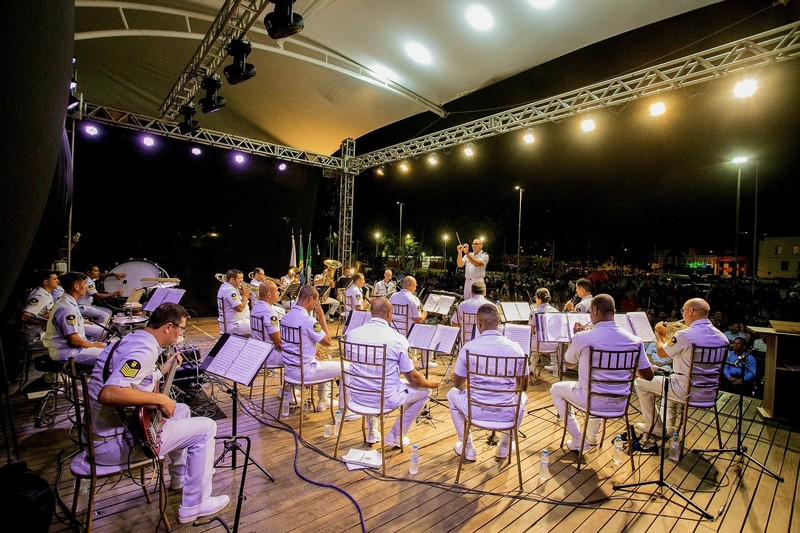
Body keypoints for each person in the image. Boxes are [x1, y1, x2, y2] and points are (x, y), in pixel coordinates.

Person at [88, 303, 229, 524]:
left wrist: (164, 369)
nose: (181, 334)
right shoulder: (144, 351)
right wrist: (160, 399)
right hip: (115, 444)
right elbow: (109, 393)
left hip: (110, 433)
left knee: (181, 410)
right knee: (207, 427)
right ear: (168, 327)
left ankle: (180, 476)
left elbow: (138, 378)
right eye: (181, 329)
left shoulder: (135, 340)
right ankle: (195, 504)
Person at [550, 294, 653, 451]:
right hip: (621, 403)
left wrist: (575, 338)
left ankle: (578, 438)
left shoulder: (583, 338)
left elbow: (569, 364)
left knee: (556, 389)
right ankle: (592, 436)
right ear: (613, 312)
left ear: (595, 310)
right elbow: (649, 376)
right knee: (596, 387)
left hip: (591, 401)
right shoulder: (635, 340)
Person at [344, 297, 440, 447]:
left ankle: (372, 431)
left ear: (371, 312)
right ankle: (396, 435)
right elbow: (413, 378)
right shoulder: (397, 339)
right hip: (384, 399)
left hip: (356, 394)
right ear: (389, 313)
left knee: (370, 377)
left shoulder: (352, 334)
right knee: (425, 392)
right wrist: (431, 384)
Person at [634, 298, 728, 434]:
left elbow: (662, 353)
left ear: (690, 311)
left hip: (685, 391)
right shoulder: (722, 337)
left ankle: (655, 426)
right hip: (710, 393)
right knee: (670, 381)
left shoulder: (686, 335)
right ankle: (669, 428)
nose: (682, 314)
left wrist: (660, 335)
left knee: (640, 383)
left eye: (683, 311)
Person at [447, 304, 528, 461]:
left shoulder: (469, 348)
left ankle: (467, 447)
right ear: (499, 323)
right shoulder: (516, 348)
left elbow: (457, 383)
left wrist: (472, 391)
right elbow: (523, 387)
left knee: (452, 394)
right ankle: (504, 446)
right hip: (506, 412)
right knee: (522, 398)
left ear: (479, 323)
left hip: (475, 410)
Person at [281, 285, 355, 415]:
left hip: (289, 369)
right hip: (304, 372)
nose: (316, 304)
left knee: (324, 359)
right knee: (348, 367)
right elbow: (328, 342)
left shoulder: (286, 316)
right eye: (316, 301)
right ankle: (347, 411)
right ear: (310, 299)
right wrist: (321, 318)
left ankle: (323, 400)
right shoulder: (308, 320)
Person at [43, 271, 106, 364]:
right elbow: (73, 340)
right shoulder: (67, 308)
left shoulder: (68, 302)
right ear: (76, 287)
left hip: (74, 349)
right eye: (84, 284)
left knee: (112, 349)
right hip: (68, 352)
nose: (86, 287)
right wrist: (92, 345)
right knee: (112, 356)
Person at [77, 264, 124, 331]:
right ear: (88, 272)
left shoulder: (88, 278)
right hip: (81, 307)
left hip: (87, 306)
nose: (98, 273)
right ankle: (98, 333)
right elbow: (98, 296)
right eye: (96, 271)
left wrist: (113, 274)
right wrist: (114, 293)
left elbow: (100, 276)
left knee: (108, 311)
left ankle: (98, 329)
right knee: (105, 315)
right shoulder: (87, 282)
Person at [21, 269, 60, 349]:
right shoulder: (39, 296)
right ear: (46, 282)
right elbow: (25, 316)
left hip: (45, 334)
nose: (58, 281)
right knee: (70, 342)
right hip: (37, 337)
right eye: (54, 279)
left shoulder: (46, 294)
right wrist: (48, 322)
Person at [529, 288, 560, 375]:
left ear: (538, 299)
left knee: (530, 339)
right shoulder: (556, 311)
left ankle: (532, 366)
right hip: (554, 345)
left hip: (539, 345)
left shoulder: (535, 311)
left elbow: (531, 330)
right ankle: (556, 368)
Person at [217, 269, 252, 335]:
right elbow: (239, 308)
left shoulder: (225, 287)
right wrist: (245, 297)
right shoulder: (230, 291)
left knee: (258, 320)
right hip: (233, 325)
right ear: (232, 279)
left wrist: (242, 293)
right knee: (259, 328)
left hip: (236, 320)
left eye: (242, 278)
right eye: (239, 278)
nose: (242, 280)